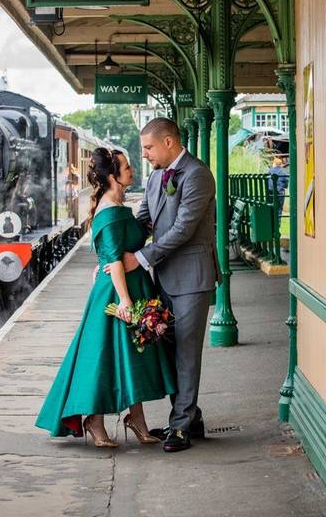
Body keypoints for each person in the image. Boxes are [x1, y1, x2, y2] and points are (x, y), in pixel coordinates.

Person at [36, 147, 178, 448]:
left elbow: (117, 249)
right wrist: (126, 303)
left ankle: (135, 420)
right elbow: (113, 262)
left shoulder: (117, 205)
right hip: (118, 292)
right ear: (113, 175)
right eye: (126, 167)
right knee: (107, 357)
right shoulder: (110, 212)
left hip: (131, 286)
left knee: (129, 356)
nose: (132, 170)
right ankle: (95, 421)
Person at [114, 117, 219, 453]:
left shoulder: (198, 174)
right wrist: (115, 248)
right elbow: (145, 218)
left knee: (186, 354)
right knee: (170, 350)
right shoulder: (158, 176)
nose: (143, 154)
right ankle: (190, 418)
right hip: (165, 278)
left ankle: (180, 426)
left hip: (191, 278)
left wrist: (140, 258)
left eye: (148, 147)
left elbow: (183, 229)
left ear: (169, 142)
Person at [268, 156, 289, 228]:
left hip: (270, 193)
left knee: (270, 209)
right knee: (279, 210)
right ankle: (277, 226)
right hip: (280, 193)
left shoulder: (269, 171)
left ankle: (271, 227)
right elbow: (286, 185)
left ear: (274, 164)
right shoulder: (283, 172)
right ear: (280, 165)